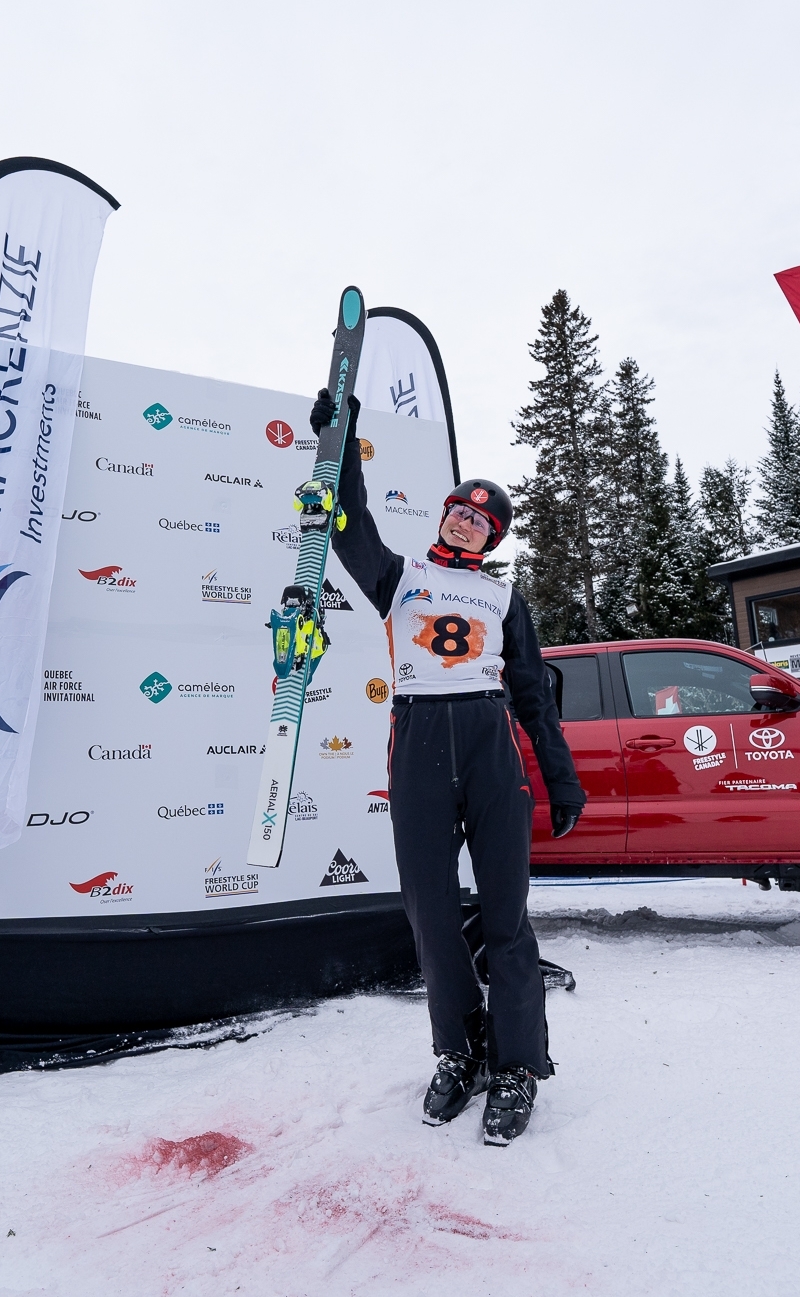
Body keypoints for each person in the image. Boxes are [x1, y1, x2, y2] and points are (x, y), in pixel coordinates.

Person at [309, 387, 585, 1146]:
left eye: (482, 517)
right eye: (460, 508)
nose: (467, 518)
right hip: (420, 739)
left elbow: (533, 696)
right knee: (432, 918)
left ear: (492, 538)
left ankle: (518, 1063)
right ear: (444, 516)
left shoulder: (505, 598)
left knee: (507, 916)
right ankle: (459, 1050)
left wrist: (559, 776)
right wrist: (339, 439)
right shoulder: (398, 578)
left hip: (489, 742)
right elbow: (346, 527)